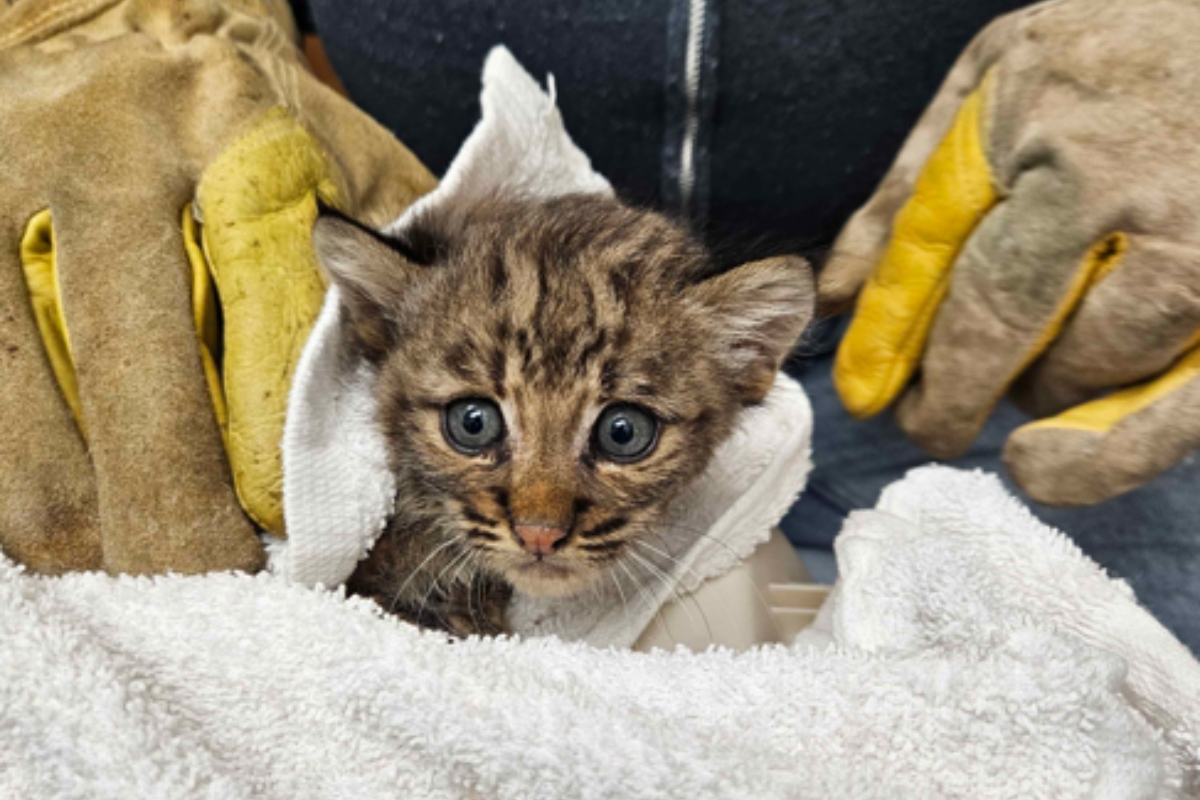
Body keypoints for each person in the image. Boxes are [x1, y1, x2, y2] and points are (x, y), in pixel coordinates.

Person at [293, 0, 1200, 651]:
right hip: (444, 245)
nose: (540, 517)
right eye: (476, 425)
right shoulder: (421, 324)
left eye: (620, 433)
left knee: (1135, 661)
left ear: (750, 358)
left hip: (992, 297)